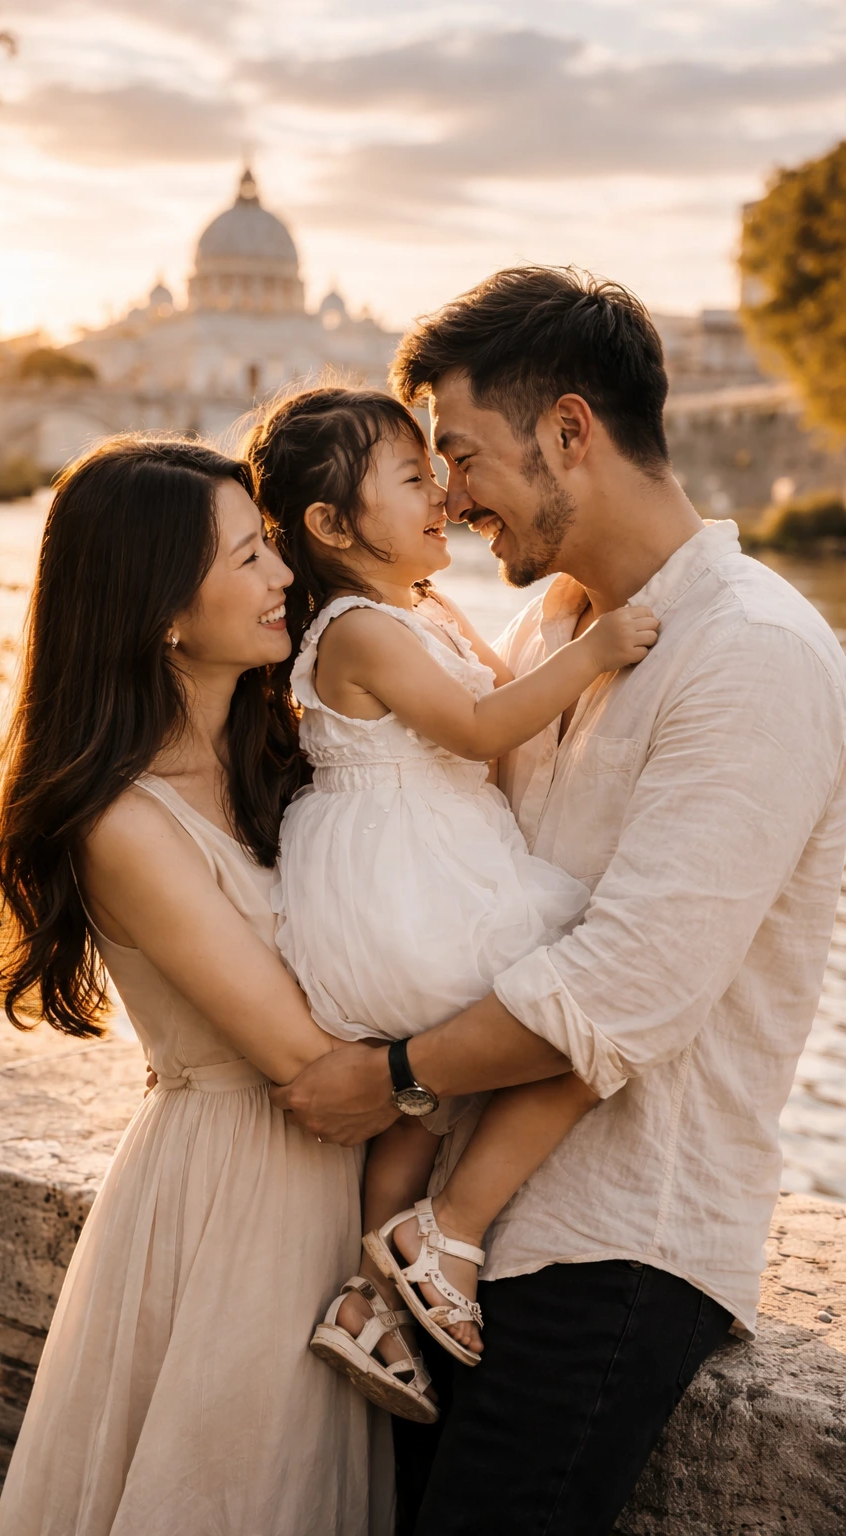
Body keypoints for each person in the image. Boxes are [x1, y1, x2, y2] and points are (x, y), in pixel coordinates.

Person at [270, 267, 846, 1536]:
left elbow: (626, 984)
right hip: (453, 1242)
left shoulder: (752, 652)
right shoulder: (539, 636)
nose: (449, 493)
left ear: (569, 433)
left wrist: (393, 1075)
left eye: (462, 455)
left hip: (610, 1248)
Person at [0, 437, 394, 1536]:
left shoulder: (290, 755)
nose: (285, 578)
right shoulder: (122, 822)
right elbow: (305, 1060)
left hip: (324, 1188)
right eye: (251, 555)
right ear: (161, 607)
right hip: (235, 1197)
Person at [242, 389, 656, 1415]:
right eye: (414, 480)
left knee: (423, 1103)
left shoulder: (414, 610)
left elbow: (481, 692)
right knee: (591, 1010)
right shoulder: (359, 630)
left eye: (439, 471)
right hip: (407, 888)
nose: (444, 494)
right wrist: (594, 652)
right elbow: (478, 727)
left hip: (411, 877)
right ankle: (445, 1234)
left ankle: (366, 1301)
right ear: (334, 528)